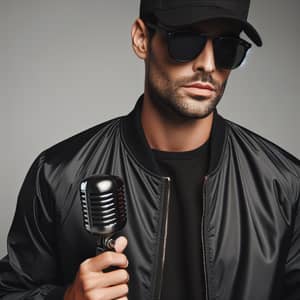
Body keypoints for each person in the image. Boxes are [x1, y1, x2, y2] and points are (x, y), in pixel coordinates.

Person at [0, 0, 299, 299]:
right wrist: (67, 298)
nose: (208, 65)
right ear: (142, 39)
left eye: (227, 48)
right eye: (186, 41)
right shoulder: (58, 175)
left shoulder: (284, 185)